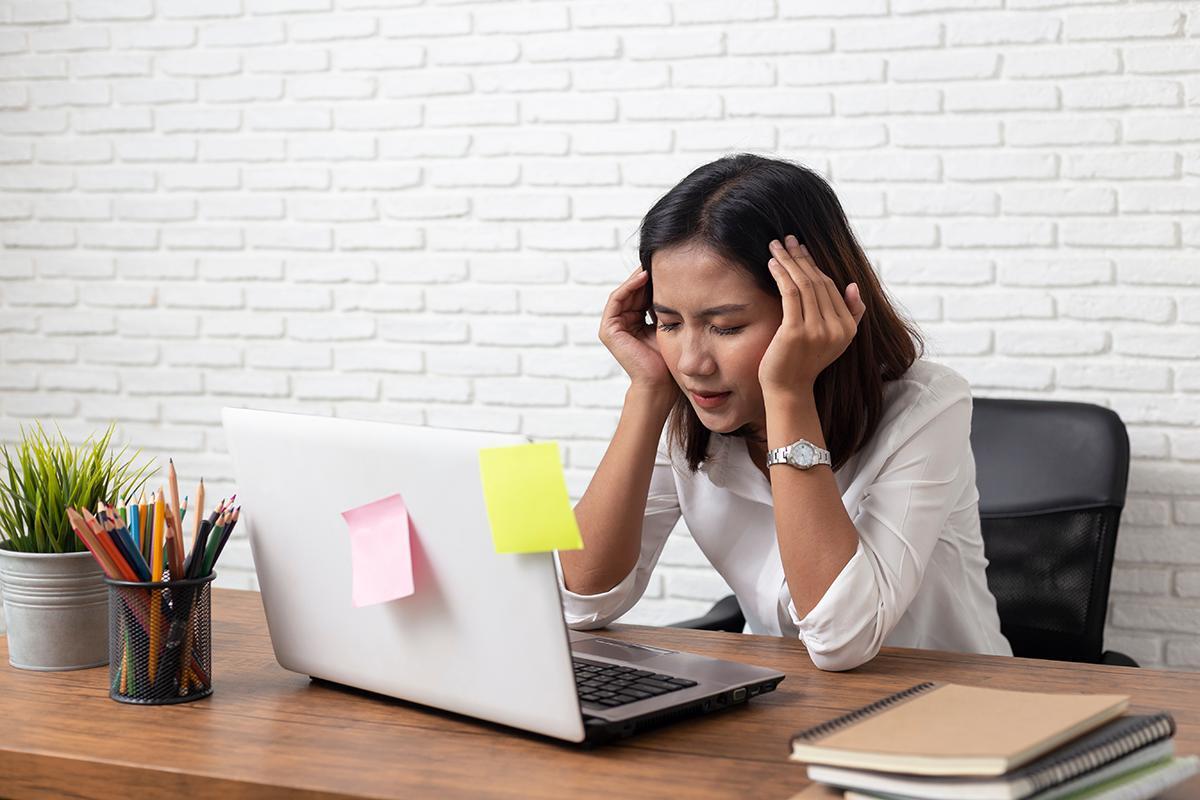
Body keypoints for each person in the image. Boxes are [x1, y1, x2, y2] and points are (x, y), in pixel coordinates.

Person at [555, 153, 1012, 672]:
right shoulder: (690, 405)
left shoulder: (928, 406)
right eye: (668, 322)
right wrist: (647, 391)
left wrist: (789, 394)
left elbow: (842, 641)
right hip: (784, 701)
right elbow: (578, 603)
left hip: (948, 710)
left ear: (812, 308)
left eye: (725, 327)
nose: (691, 363)